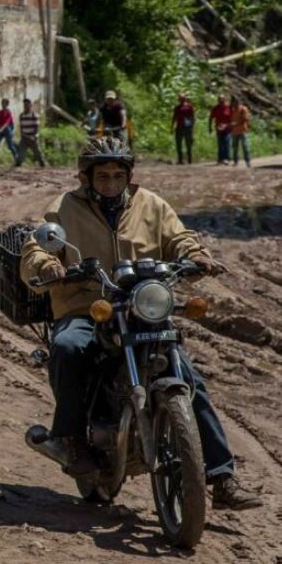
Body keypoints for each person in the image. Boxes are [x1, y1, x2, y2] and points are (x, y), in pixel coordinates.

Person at [19, 137, 262, 510]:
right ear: (86, 178)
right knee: (68, 348)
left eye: (119, 175)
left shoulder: (151, 204)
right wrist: (47, 265)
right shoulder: (65, 208)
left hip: (142, 306)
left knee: (189, 377)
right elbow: (38, 245)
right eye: (103, 176)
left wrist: (195, 254)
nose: (112, 183)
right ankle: (70, 440)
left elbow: (179, 237)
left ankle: (222, 476)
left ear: (129, 176)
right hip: (89, 305)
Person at [16, 98, 47, 168]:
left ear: (30, 106)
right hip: (24, 137)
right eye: (24, 105)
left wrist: (35, 136)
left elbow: (36, 128)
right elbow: (21, 126)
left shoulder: (34, 115)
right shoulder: (21, 116)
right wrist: (21, 136)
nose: (25, 107)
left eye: (27, 105)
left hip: (32, 137)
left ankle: (42, 163)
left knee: (37, 152)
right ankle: (18, 163)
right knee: (21, 151)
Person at [0, 98, 19, 164]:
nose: (3, 104)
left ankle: (17, 158)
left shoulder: (8, 113)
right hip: (1, 129)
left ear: (7, 104)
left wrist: (2, 128)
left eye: (5, 103)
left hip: (7, 129)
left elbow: (7, 122)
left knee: (10, 145)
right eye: (2, 103)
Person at [172, 92, 196, 165]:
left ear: (185, 99)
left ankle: (189, 160)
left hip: (187, 127)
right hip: (179, 127)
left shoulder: (189, 107)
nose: (181, 100)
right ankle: (180, 159)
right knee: (178, 143)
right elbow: (174, 117)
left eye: (182, 98)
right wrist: (172, 125)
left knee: (188, 144)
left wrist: (192, 126)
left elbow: (193, 117)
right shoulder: (177, 107)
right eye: (180, 98)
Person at [208, 95, 232, 166]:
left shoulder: (228, 107)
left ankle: (226, 158)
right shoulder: (215, 108)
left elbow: (232, 117)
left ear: (224, 100)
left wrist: (230, 125)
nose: (220, 101)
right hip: (219, 128)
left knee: (226, 143)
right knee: (220, 144)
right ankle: (220, 159)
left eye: (222, 100)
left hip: (227, 128)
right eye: (219, 100)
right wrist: (209, 127)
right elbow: (211, 118)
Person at [229, 96, 252, 168]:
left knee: (245, 147)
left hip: (242, 130)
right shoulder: (232, 110)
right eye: (233, 102)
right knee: (234, 147)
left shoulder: (243, 109)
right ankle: (235, 161)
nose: (234, 103)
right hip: (234, 131)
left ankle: (248, 162)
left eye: (236, 102)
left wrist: (236, 123)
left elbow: (245, 119)